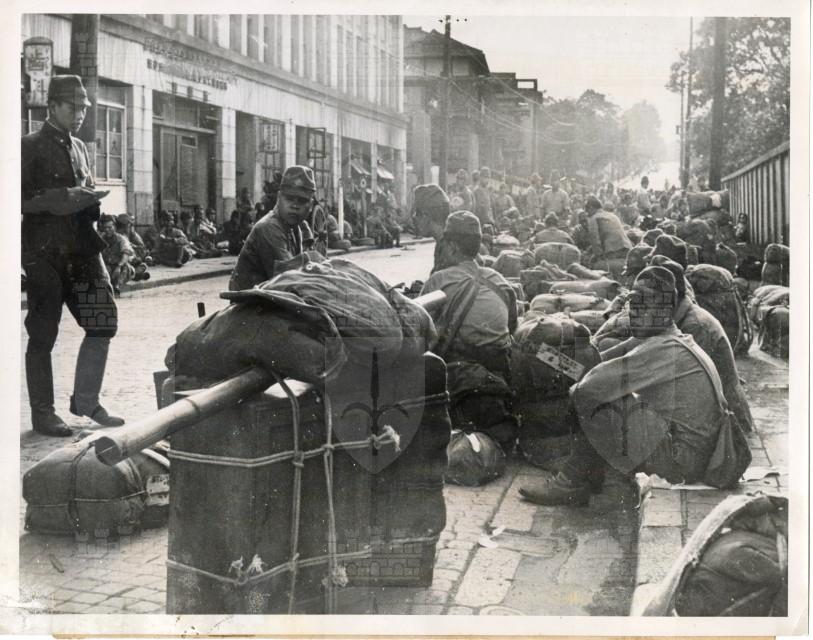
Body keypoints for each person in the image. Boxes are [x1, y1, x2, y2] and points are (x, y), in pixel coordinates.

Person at [520, 266, 729, 506]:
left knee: (601, 400)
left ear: (666, 310)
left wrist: (555, 367)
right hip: (697, 454)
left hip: (684, 463)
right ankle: (586, 476)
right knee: (605, 392)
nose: (635, 312)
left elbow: (589, 387)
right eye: (633, 303)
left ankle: (569, 482)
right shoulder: (667, 337)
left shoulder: (663, 349)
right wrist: (549, 357)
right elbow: (596, 364)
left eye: (644, 304)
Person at [21, 75, 123, 435]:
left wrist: (90, 199)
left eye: (83, 107)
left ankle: (85, 400)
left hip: (81, 252)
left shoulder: (79, 147)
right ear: (52, 106)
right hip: (44, 254)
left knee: (103, 322)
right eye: (73, 107)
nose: (80, 113)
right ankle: (43, 414)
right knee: (43, 334)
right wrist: (61, 198)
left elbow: (85, 192)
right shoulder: (28, 146)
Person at [420, 211, 518, 451]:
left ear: (452, 246)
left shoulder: (439, 280)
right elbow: (512, 328)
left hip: (459, 370)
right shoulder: (500, 280)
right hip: (497, 370)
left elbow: (418, 330)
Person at [229, 165, 324, 291]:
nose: (294, 206)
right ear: (279, 198)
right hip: (250, 299)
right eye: (289, 198)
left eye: (302, 201)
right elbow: (290, 279)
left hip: (267, 294)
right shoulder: (269, 227)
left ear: (310, 205)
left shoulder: (295, 228)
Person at [584, 195, 633, 280]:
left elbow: (595, 240)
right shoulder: (612, 215)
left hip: (612, 252)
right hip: (626, 249)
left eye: (587, 210)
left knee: (593, 265)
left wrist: (598, 256)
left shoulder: (593, 218)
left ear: (591, 208)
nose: (587, 214)